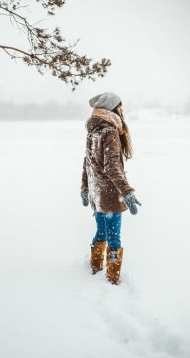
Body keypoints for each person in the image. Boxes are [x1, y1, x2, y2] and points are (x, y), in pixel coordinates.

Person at [81, 92, 141, 285]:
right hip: (110, 196)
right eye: (120, 107)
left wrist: (85, 188)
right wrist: (126, 191)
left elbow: (87, 163)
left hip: (98, 195)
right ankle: (113, 277)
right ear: (112, 109)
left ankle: (95, 267)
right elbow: (112, 167)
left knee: (101, 233)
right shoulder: (110, 131)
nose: (122, 110)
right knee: (114, 238)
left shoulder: (94, 130)